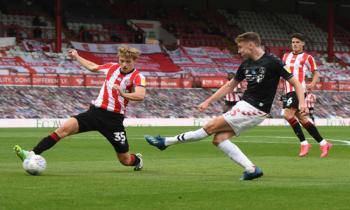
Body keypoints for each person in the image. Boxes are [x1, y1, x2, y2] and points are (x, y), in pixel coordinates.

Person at [145, 32, 306, 180]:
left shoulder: (273, 62)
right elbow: (229, 86)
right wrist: (208, 101)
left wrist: (303, 103)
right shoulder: (245, 65)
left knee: (210, 126)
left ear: (251, 45)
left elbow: (296, 83)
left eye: (240, 46)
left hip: (255, 108)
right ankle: (251, 169)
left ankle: (165, 142)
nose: (238, 51)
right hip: (245, 105)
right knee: (219, 139)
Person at [14, 45, 146, 171]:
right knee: (63, 129)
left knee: (125, 160)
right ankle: (31, 154)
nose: (124, 64)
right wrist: (77, 56)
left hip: (113, 120)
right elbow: (92, 66)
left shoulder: (138, 77)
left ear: (134, 61)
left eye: (128, 61)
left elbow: (140, 95)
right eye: (122, 61)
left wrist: (123, 93)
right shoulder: (112, 67)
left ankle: (138, 160)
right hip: (94, 113)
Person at [282, 33, 332, 158]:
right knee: (303, 120)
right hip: (287, 90)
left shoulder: (307, 57)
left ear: (303, 43)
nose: (295, 44)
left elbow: (316, 73)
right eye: (293, 42)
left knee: (287, 114)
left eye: (298, 42)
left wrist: (313, 83)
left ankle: (304, 143)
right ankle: (324, 143)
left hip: (298, 89)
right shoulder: (285, 56)